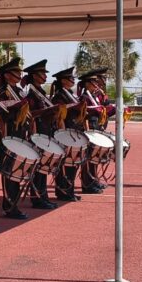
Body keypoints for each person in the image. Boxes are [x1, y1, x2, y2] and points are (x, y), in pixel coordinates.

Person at [0, 57, 30, 219]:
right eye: (15, 72)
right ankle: (9, 205)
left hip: (21, 132)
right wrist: (4, 137)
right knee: (9, 172)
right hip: (10, 133)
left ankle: (14, 204)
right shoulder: (4, 92)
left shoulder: (19, 91)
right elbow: (2, 116)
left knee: (16, 170)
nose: (19, 74)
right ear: (7, 75)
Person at [23, 59, 58, 210]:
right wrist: (46, 111)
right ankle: (37, 197)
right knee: (38, 168)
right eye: (42, 73)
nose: (45, 76)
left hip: (45, 131)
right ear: (34, 76)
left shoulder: (40, 92)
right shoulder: (31, 93)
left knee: (43, 167)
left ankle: (43, 196)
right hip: (37, 132)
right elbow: (30, 113)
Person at [50, 67, 83, 202]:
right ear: (63, 80)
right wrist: (62, 134)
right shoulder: (59, 96)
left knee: (72, 164)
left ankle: (69, 190)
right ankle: (63, 191)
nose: (73, 80)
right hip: (66, 132)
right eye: (70, 78)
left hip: (74, 130)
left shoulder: (69, 94)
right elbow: (60, 117)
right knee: (65, 165)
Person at [79, 70, 106, 192]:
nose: (97, 83)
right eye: (94, 81)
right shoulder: (84, 96)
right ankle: (87, 184)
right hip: (89, 127)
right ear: (87, 83)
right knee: (88, 157)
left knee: (94, 157)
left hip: (96, 127)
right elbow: (85, 112)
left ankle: (93, 180)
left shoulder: (94, 96)